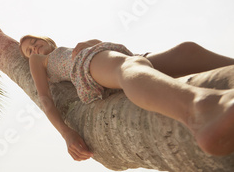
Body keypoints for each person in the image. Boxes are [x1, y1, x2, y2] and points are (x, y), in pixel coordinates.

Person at [19, 35, 234, 161]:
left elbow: (97, 42)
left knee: (186, 51)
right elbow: (45, 99)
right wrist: (66, 133)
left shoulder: (63, 50)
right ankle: (202, 111)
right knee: (129, 68)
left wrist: (86, 43)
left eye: (35, 41)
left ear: (47, 40)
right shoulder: (39, 61)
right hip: (88, 65)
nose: (34, 48)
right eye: (28, 50)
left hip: (112, 55)